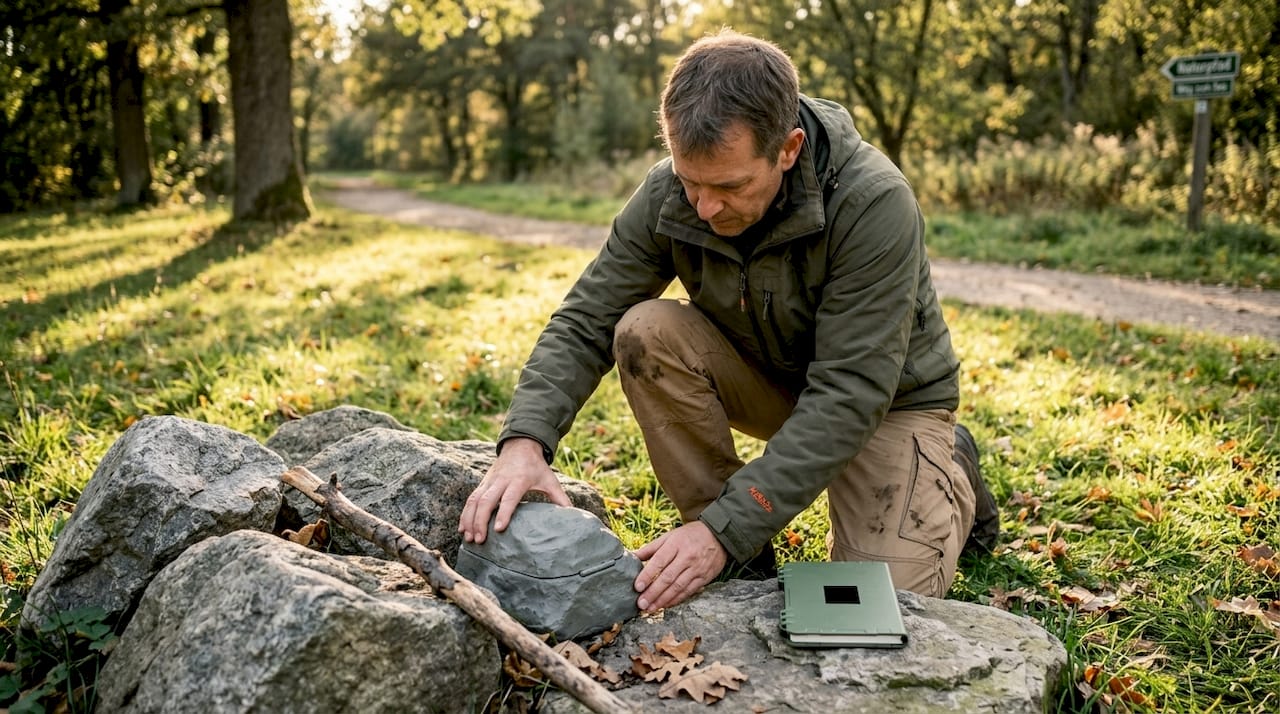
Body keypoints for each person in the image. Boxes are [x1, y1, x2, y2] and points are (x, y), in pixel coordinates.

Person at [459, 30, 997, 613]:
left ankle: (950, 467)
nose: (705, 207)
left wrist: (727, 525)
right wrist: (524, 441)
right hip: (771, 380)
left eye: (730, 186)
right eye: (691, 182)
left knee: (880, 604)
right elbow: (589, 315)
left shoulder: (872, 201)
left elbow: (850, 392)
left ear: (788, 149)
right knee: (644, 331)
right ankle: (736, 551)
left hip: (885, 403)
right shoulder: (670, 191)